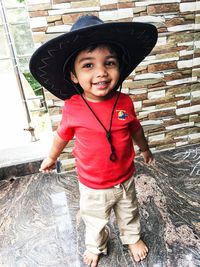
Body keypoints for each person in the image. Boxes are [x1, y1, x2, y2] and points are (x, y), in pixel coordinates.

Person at [30, 15, 157, 267]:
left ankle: (131, 237)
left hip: (125, 178)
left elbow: (135, 128)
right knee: (95, 219)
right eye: (88, 65)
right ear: (74, 75)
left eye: (109, 63)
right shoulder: (73, 107)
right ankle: (95, 246)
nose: (101, 72)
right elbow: (62, 135)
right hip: (93, 185)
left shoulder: (124, 102)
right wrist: (52, 157)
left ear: (119, 68)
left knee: (129, 211)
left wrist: (144, 148)